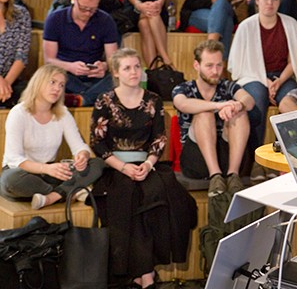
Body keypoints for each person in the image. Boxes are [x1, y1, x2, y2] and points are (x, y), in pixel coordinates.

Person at [91, 47, 197, 289]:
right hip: (114, 166)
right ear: (116, 72)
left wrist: (148, 164)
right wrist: (123, 167)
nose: (133, 72)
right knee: (129, 196)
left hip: (147, 164)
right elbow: (97, 142)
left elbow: (159, 139)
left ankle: (142, 274)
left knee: (161, 195)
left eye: (137, 66)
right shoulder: (104, 100)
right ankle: (146, 275)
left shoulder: (153, 100)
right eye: (127, 68)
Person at [0, 64, 104, 208]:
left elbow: (79, 146)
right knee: (11, 180)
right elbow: (14, 159)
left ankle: (52, 197)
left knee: (97, 164)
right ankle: (68, 192)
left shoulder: (63, 112)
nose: (57, 88)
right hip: (23, 173)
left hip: (51, 173)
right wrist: (46, 169)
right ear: (38, 83)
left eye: (61, 85)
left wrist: (82, 156)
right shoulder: (18, 113)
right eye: (52, 82)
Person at [228, 0, 297, 155]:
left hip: (282, 76)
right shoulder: (246, 26)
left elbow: (296, 59)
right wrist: (266, 82)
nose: (270, 3)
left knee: (291, 98)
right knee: (257, 97)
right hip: (253, 76)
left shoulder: (290, 24)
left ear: (280, 2)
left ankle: (289, 155)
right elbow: (237, 65)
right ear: (257, 0)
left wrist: (278, 82)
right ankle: (256, 156)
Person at [172, 40, 254, 196]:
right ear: (197, 66)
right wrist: (219, 106)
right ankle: (215, 175)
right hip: (196, 159)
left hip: (228, 156)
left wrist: (237, 105)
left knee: (240, 113)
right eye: (209, 66)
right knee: (204, 114)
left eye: (219, 65)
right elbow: (181, 104)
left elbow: (249, 100)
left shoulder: (228, 86)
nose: (215, 71)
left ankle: (233, 175)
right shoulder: (184, 88)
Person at [43, 0, 118, 106]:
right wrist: (70, 67)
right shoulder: (55, 19)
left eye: (92, 9)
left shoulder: (105, 20)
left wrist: (104, 66)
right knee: (50, 76)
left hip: (95, 76)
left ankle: (81, 99)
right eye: (83, 8)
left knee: (119, 77)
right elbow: (49, 60)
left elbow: (114, 60)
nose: (88, 13)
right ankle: (93, 97)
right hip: (66, 74)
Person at [0, 0, 30, 107]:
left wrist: (5, 84)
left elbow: (21, 56)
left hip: (11, 80)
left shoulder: (21, 14)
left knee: (31, 96)